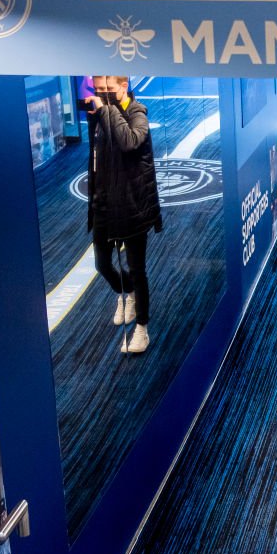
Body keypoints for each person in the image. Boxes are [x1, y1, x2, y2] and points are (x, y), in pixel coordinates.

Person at [85, 75, 162, 354]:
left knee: (137, 268)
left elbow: (129, 141)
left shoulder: (137, 114)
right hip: (104, 205)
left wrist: (107, 111)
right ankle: (125, 292)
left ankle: (142, 327)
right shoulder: (102, 115)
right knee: (102, 264)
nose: (101, 95)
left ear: (123, 87)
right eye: (98, 90)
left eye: (107, 90)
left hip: (133, 208)